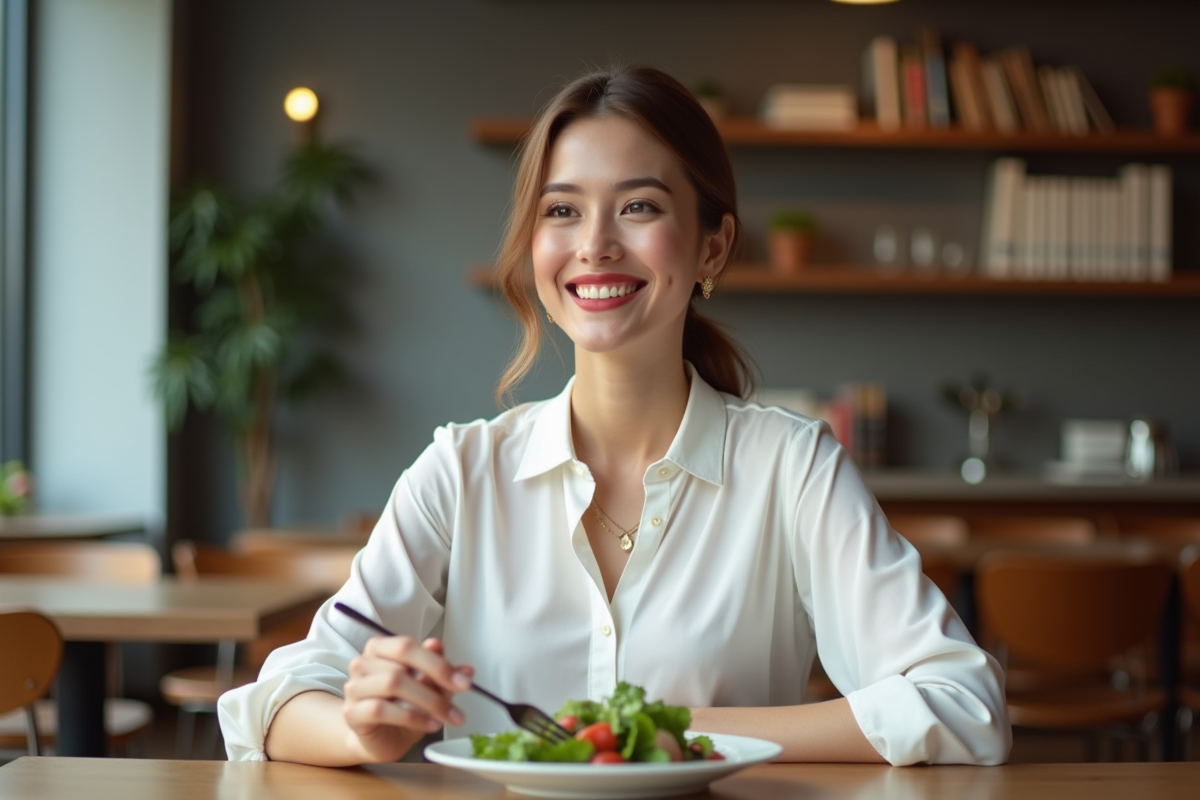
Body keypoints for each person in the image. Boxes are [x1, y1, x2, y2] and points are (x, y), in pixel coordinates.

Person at [218, 65, 1010, 767]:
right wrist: (364, 730)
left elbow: (962, 703)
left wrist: (669, 732)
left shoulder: (791, 468)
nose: (594, 245)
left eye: (638, 206)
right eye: (562, 211)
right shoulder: (459, 473)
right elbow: (280, 698)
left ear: (712, 247)